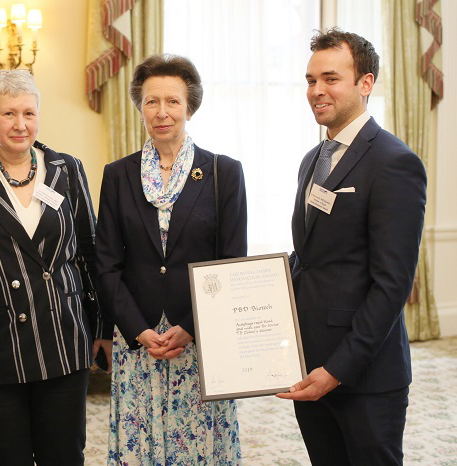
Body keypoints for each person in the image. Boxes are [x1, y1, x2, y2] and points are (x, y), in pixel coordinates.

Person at [0, 69, 113, 465]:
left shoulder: (68, 169)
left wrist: (101, 328)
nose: (20, 124)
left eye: (29, 114)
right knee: (4, 458)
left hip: (63, 338)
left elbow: (90, 253)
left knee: (64, 455)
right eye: (8, 114)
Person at [276, 29, 427, 465]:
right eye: (309, 80)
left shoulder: (395, 162)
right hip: (309, 363)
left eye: (330, 78)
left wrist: (338, 370)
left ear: (365, 83)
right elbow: (311, 258)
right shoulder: (313, 159)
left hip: (364, 373)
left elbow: (391, 286)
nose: (316, 91)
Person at [95, 54, 246, 465]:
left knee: (198, 444)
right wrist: (137, 329)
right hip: (138, 338)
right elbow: (105, 263)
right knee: (141, 442)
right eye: (151, 102)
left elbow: (232, 264)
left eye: (173, 102)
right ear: (140, 108)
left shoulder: (223, 174)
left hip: (199, 339)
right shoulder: (118, 175)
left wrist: (192, 328)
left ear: (190, 107)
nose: (162, 112)